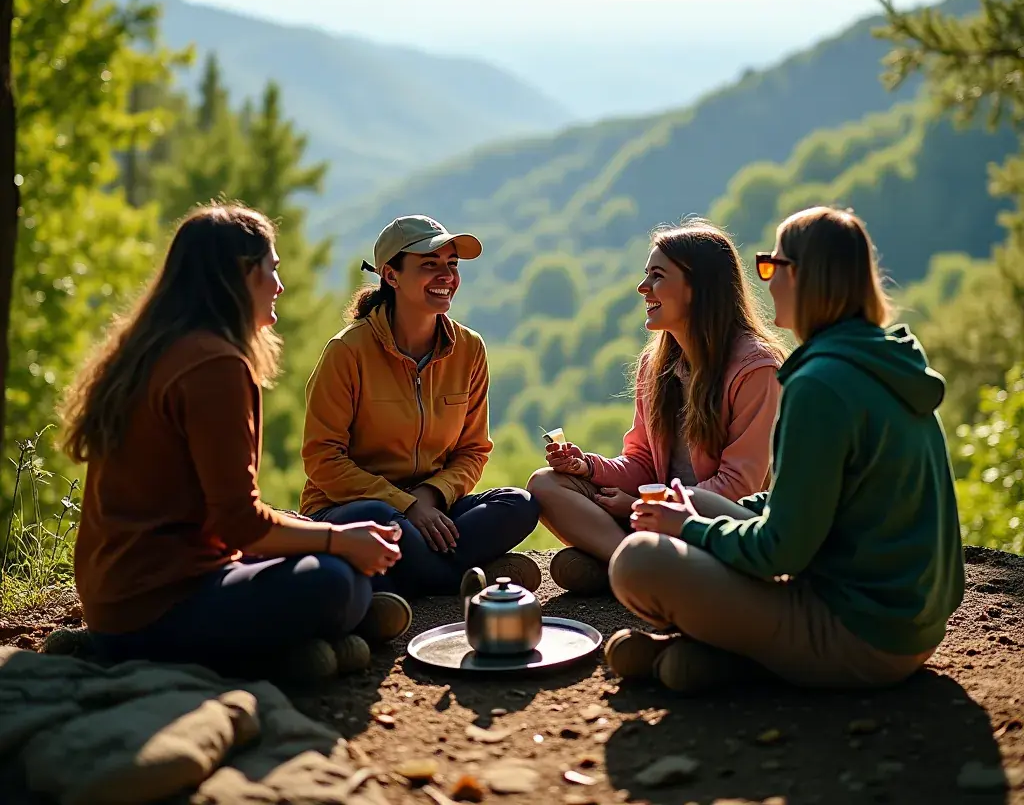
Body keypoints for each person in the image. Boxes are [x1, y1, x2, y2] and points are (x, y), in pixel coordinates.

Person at [606, 206, 965, 694]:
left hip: (861, 634)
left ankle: (745, 660)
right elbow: (810, 502)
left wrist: (685, 528)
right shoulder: (883, 361)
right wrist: (694, 513)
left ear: (809, 278)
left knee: (638, 561)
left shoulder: (820, 384)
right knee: (705, 502)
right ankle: (719, 658)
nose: (766, 281)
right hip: (909, 622)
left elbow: (782, 551)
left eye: (773, 266)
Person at [64, 204, 411, 681]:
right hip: (157, 607)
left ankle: (311, 633)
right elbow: (239, 523)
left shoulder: (154, 348)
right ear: (241, 274)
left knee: (359, 519)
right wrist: (335, 542)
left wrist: (331, 535)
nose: (279, 286)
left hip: (120, 597)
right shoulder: (214, 367)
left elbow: (217, 514)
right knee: (338, 580)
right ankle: (294, 642)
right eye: (272, 269)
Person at [528, 219, 785, 595]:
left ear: (698, 288)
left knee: (695, 500)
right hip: (656, 515)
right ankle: (635, 562)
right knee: (544, 484)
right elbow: (642, 463)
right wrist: (588, 466)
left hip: (719, 525)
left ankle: (623, 564)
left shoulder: (757, 368)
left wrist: (640, 506)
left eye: (657, 276)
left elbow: (737, 487)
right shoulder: (657, 363)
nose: (642, 287)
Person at [300, 215, 541, 596]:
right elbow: (322, 460)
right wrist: (404, 505)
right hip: (353, 510)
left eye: (452, 265)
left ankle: (394, 582)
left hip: (433, 509)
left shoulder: (470, 349)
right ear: (391, 276)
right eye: (429, 265)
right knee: (377, 517)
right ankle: (461, 578)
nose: (446, 276)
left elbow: (473, 451)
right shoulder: (347, 352)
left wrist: (427, 498)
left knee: (520, 504)